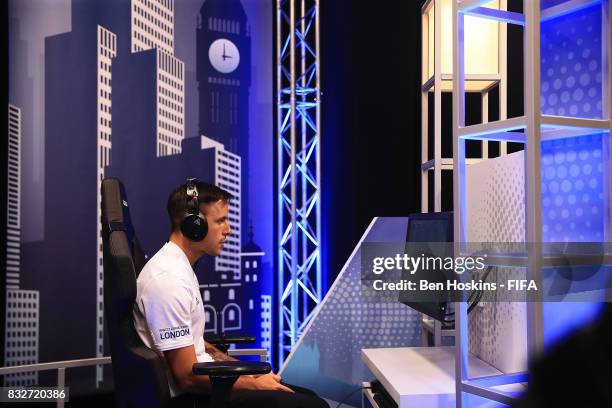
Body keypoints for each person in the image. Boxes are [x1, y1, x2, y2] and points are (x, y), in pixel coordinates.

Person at [133, 179, 329, 408]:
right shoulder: (167, 281)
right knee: (313, 406)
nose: (229, 230)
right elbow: (186, 377)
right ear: (193, 225)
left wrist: (248, 374)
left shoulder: (179, 268)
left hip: (208, 385)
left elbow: (195, 344)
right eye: (221, 221)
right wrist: (254, 383)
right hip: (194, 398)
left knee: (309, 397)